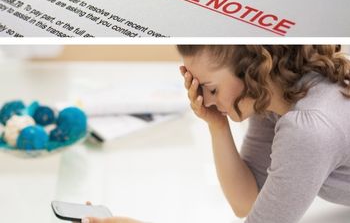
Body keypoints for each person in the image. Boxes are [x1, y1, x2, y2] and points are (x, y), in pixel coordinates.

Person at [82, 45, 350, 223]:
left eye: (210, 88)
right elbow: (246, 201)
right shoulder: (280, 96)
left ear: (254, 69)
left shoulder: (308, 129)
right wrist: (217, 124)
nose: (204, 100)